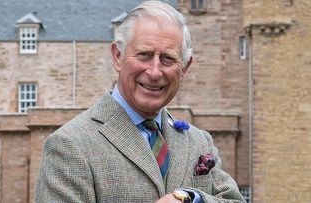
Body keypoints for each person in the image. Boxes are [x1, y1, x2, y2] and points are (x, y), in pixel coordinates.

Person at [35, 1, 245, 202]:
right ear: (118, 56)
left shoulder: (199, 142)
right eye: (144, 55)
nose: (154, 72)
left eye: (168, 59)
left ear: (185, 68)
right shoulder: (70, 145)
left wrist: (192, 198)